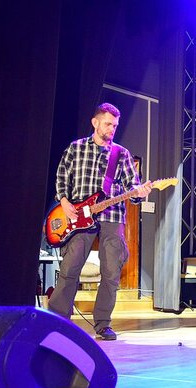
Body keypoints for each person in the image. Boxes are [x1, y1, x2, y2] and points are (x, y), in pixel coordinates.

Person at [49, 103, 152, 340]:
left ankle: (103, 324)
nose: (112, 129)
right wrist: (64, 201)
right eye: (108, 124)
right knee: (70, 269)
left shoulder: (121, 154)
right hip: (77, 217)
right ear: (95, 123)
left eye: (115, 125)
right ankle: (57, 321)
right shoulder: (75, 148)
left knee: (111, 272)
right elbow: (61, 177)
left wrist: (139, 192)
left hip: (112, 217)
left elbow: (132, 188)